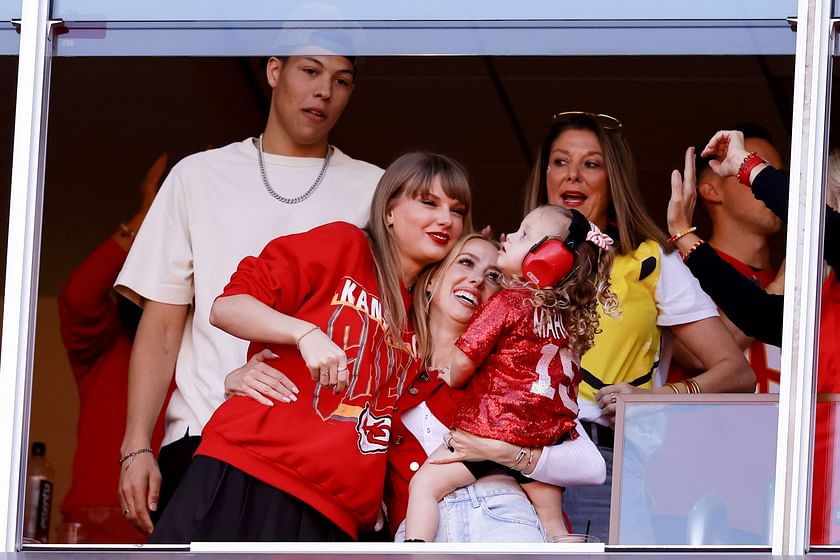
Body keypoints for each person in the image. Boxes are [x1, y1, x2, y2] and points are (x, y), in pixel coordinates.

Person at [115, 51, 384, 535]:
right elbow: (161, 324)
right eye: (311, 71)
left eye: (342, 80)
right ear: (275, 71)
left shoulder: (378, 189)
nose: (324, 90)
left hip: (323, 455)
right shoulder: (197, 175)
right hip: (203, 433)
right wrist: (137, 446)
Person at [147, 151, 471, 543]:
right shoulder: (345, 245)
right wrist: (304, 335)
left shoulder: (424, 315)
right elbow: (228, 306)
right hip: (254, 468)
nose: (445, 220)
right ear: (388, 210)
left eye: (457, 210)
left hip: (338, 512)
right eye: (429, 202)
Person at [521, 111, 756, 542]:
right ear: (544, 174)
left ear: (614, 180)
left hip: (598, 463)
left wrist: (649, 399)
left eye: (591, 164)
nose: (573, 175)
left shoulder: (650, 260)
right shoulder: (507, 254)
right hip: (505, 466)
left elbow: (736, 372)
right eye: (560, 161)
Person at [403, 205, 618, 543]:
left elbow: (592, 468)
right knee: (550, 512)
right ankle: (559, 536)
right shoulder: (391, 366)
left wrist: (502, 452)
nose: (477, 280)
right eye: (465, 262)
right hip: (449, 523)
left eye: (492, 276)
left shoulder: (508, 314)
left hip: (503, 519)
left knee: (424, 487)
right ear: (430, 280)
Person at [668, 130, 840, 544]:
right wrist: (684, 235)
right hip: (810, 482)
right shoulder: (827, 286)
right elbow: (757, 316)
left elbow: (820, 228)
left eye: (822, 200)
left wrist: (747, 167)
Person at [58, 154, 169, 543]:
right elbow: (78, 296)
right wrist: (147, 218)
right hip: (96, 527)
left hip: (174, 524)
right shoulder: (103, 346)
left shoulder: (202, 347)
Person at [669, 125, 785, 393]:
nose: (769, 182)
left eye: (775, 175)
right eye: (751, 170)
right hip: (705, 432)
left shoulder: (798, 279)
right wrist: (779, 287)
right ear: (710, 190)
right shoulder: (680, 266)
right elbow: (695, 356)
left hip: (782, 433)